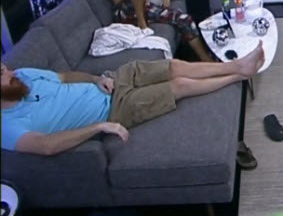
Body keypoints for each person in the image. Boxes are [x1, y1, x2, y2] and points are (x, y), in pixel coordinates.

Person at [0, 42, 264, 155]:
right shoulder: (6, 126)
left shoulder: (24, 74)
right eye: (4, 75)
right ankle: (238, 76)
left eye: (6, 68)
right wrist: (98, 127)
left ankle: (237, 65)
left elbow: (65, 77)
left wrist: (95, 78)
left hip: (111, 81)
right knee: (179, 85)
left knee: (172, 66)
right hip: (114, 109)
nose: (13, 73)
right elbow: (46, 146)